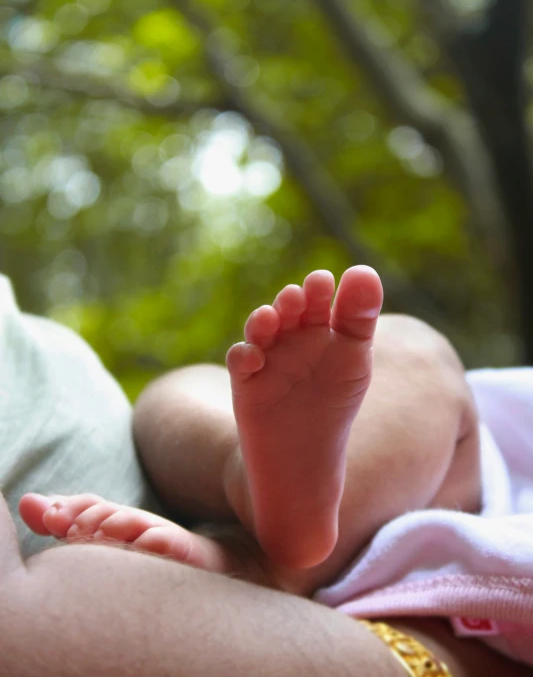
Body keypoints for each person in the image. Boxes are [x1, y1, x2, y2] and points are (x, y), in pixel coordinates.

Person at [0, 267, 529, 675]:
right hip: (458, 498)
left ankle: (261, 547)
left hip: (446, 629)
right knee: (415, 360)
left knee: (421, 359)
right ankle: (253, 488)